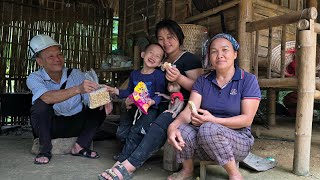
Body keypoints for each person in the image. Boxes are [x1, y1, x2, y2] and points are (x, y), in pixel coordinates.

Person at [98, 19, 203, 180]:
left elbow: (200, 88)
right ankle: (124, 158)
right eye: (161, 38)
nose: (165, 42)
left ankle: (128, 166)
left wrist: (180, 78)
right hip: (159, 103)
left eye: (170, 37)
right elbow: (137, 84)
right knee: (134, 115)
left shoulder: (189, 59)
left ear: (180, 37)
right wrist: (122, 94)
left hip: (180, 107)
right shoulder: (162, 62)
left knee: (156, 125)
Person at [166, 33, 261, 180]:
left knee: (208, 128)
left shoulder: (248, 80)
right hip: (204, 142)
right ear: (209, 57)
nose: (219, 55)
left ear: (235, 54)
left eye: (225, 50)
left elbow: (247, 120)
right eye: (214, 51)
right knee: (182, 128)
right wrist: (172, 127)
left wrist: (212, 120)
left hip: (238, 142)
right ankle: (187, 170)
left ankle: (235, 175)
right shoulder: (203, 81)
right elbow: (188, 111)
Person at [26, 34, 106, 164]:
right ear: (39, 61)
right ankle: (45, 149)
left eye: (59, 54)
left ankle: (80, 146)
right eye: (50, 56)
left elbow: (90, 100)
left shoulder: (76, 74)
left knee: (100, 106)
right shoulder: (34, 78)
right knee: (40, 106)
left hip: (75, 124)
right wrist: (77, 89)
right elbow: (46, 97)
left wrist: (103, 99)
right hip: (51, 127)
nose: (57, 59)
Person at [105, 42, 166, 152]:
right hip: (133, 107)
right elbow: (129, 92)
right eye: (151, 53)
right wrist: (115, 90)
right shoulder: (134, 74)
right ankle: (127, 151)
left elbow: (159, 94)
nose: (153, 57)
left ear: (160, 63)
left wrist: (152, 102)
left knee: (136, 131)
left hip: (149, 110)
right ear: (142, 54)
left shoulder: (159, 75)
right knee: (121, 133)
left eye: (157, 56)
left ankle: (125, 157)